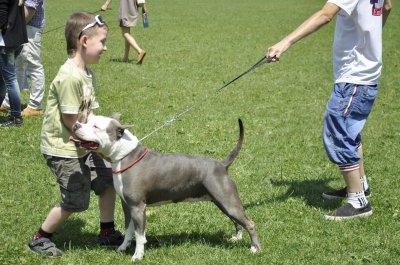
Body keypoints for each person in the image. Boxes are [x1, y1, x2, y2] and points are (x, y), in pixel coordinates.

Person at [267, 0, 392, 220]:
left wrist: (284, 42)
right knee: (350, 131)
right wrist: (369, 41)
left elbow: (325, 15)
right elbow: (387, 7)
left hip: (354, 77)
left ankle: (358, 202)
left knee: (338, 131)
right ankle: (360, 187)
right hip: (366, 74)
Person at [27, 12, 123, 257]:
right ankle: (41, 238)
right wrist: (95, 143)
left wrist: (106, 140)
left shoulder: (87, 74)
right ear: (83, 41)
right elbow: (71, 121)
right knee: (76, 199)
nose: (105, 47)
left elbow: (88, 115)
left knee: (107, 180)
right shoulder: (70, 77)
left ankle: (106, 232)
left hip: (84, 143)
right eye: (101, 42)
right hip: (64, 148)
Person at [0, 0, 46, 117]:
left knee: (33, 66)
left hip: (30, 27)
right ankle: (9, 102)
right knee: (17, 65)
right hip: (22, 27)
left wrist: (15, 27)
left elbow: (30, 9)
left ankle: (35, 106)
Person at [0, 0, 27, 127]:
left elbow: (2, 19)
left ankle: (16, 116)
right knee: (3, 79)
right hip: (17, 40)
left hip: (6, 42)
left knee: (10, 79)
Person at [101, 0, 147, 64]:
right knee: (127, 32)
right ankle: (126, 57)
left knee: (125, 33)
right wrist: (144, 8)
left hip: (125, 9)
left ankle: (139, 51)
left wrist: (106, 4)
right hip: (133, 8)